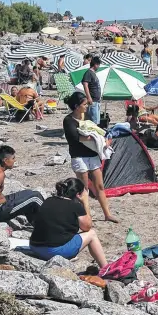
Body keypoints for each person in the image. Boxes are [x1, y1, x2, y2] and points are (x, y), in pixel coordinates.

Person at [63, 92, 118, 223]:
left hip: (92, 155)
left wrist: (95, 138)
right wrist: (96, 138)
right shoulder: (68, 120)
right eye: (84, 104)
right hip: (79, 156)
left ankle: (107, 214)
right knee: (84, 189)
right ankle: (87, 217)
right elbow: (75, 138)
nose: (87, 106)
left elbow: (93, 133)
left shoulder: (85, 117)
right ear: (77, 106)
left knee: (100, 186)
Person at [29, 178, 107, 266]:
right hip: (52, 251)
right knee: (91, 234)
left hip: (34, 247)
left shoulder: (48, 200)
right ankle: (106, 268)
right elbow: (87, 227)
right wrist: (85, 202)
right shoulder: (75, 206)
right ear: (78, 194)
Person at [0, 146, 43, 224]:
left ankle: (38, 225)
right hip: (0, 211)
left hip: (2, 203)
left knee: (29, 193)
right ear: (5, 160)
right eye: (13, 158)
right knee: (35, 197)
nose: (15, 160)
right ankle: (50, 226)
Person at [82, 56, 102, 125]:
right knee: (93, 121)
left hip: (96, 100)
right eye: (98, 65)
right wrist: (89, 97)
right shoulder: (88, 73)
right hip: (92, 100)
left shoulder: (93, 73)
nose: (98, 67)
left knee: (96, 120)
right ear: (95, 64)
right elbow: (85, 84)